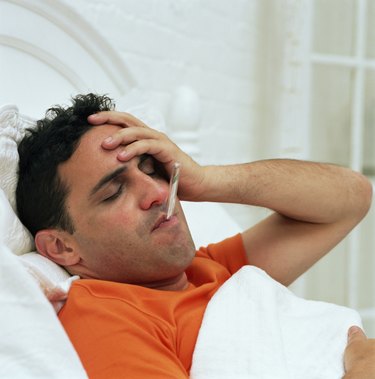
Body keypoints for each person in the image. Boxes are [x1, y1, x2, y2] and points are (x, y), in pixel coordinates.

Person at [16, 93, 372, 378]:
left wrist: (204, 180)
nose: (157, 192)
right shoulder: (104, 317)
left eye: (153, 168)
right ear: (63, 247)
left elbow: (350, 198)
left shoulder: (211, 271)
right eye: (113, 193)